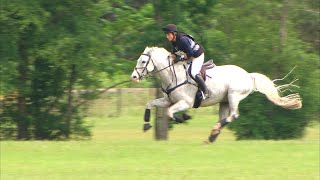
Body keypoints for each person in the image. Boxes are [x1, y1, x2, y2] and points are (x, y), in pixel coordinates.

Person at [162, 24, 208, 99]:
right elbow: (174, 53)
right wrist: (172, 57)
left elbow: (190, 53)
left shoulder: (182, 40)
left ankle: (205, 91)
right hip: (190, 55)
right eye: (166, 35)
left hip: (197, 55)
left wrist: (180, 58)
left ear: (174, 33)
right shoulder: (174, 41)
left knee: (193, 73)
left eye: (168, 34)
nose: (167, 36)